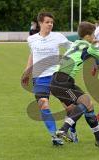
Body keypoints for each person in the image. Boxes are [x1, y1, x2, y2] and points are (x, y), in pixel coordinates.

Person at [22, 12, 73, 146]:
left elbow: (72, 47)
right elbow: (33, 54)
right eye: (47, 22)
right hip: (39, 77)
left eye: (51, 22)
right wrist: (27, 71)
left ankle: (71, 130)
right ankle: (54, 135)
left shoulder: (58, 37)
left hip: (57, 76)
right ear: (40, 23)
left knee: (70, 107)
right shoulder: (31, 39)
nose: (50, 24)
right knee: (43, 103)